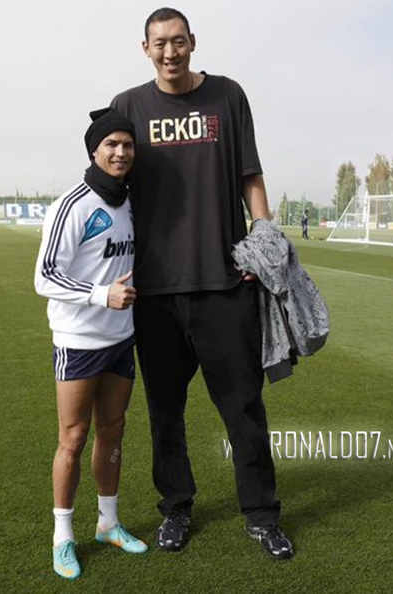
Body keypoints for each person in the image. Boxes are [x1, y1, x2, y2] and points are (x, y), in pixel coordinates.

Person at [111, 8, 293, 560]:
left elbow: (249, 175)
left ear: (193, 43)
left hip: (223, 284)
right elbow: (110, 180)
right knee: (165, 412)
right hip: (156, 294)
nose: (170, 52)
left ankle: (261, 515)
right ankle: (176, 510)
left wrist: (263, 238)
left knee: (244, 409)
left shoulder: (228, 96)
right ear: (145, 48)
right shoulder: (128, 106)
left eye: (179, 42)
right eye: (160, 43)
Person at [34, 108, 148, 580]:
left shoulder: (131, 202)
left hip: (121, 340)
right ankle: (63, 537)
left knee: (114, 430)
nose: (120, 152)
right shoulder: (74, 204)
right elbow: (45, 276)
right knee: (73, 438)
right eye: (111, 145)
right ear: (94, 150)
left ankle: (108, 523)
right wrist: (102, 295)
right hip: (79, 340)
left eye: (127, 145)